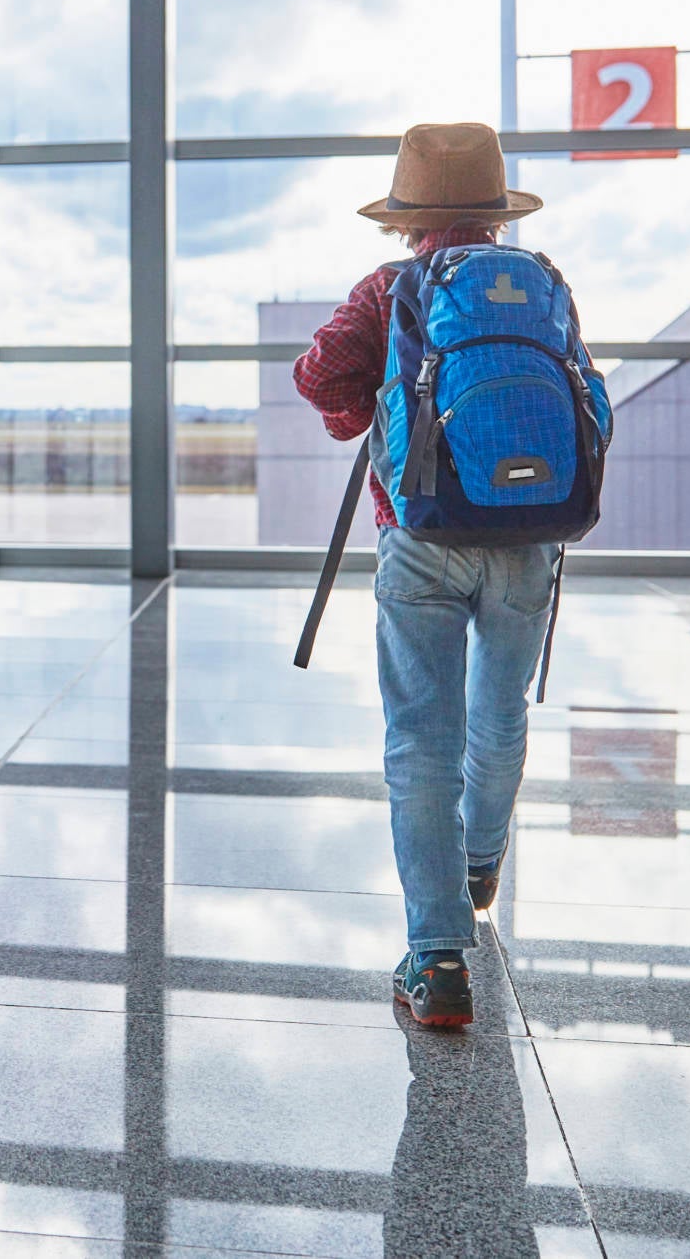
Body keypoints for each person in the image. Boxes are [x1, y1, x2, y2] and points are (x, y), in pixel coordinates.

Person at [292, 122, 608, 1028]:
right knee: (499, 713)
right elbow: (578, 391)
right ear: (495, 210)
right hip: (531, 536)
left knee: (420, 740)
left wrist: (379, 411)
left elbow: (320, 377)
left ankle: (438, 961)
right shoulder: (541, 285)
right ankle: (481, 861)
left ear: (408, 215)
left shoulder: (390, 287)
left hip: (422, 535)